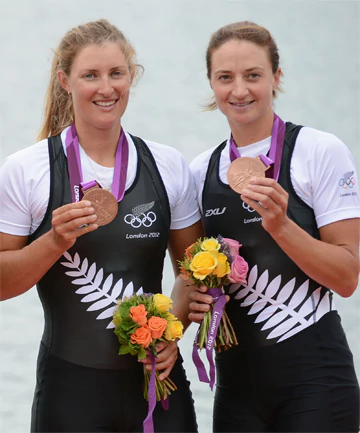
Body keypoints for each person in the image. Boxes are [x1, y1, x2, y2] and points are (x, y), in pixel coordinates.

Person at [0, 19, 203, 433]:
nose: (106, 88)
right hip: (70, 393)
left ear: (133, 76)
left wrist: (173, 331)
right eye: (90, 75)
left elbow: (192, 270)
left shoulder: (167, 165)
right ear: (65, 81)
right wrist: (54, 241)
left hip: (158, 383)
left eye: (116, 73)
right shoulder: (27, 169)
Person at [188, 21, 360, 432]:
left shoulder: (319, 152)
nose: (240, 90)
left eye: (253, 76)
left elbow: (347, 276)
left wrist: (281, 226)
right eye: (225, 78)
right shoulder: (200, 172)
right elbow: (191, 276)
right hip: (237, 388)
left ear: (276, 77)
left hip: (315, 381)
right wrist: (195, 300)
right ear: (211, 83)